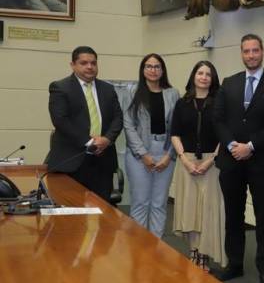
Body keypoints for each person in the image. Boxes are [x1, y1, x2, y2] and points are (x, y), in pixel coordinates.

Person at [211, 34, 264, 283]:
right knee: (233, 215)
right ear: (241, 53)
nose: (251, 55)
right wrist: (233, 145)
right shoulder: (228, 83)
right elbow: (218, 119)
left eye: (255, 50)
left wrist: (251, 146)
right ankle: (234, 264)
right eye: (246, 51)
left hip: (262, 161)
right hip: (231, 160)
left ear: (262, 52)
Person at [46, 46, 123, 201]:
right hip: (72, 161)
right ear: (73, 65)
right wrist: (90, 143)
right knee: (71, 211)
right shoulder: (60, 87)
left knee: (102, 210)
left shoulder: (107, 89)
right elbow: (61, 120)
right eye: (84, 63)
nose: (90, 67)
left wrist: (106, 140)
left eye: (93, 63)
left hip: (103, 161)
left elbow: (118, 118)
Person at [171, 61, 226, 271]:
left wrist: (210, 161)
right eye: (200, 73)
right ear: (193, 76)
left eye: (208, 74)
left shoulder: (220, 103)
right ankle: (193, 251)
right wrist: (184, 159)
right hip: (187, 163)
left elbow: (225, 135)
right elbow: (174, 134)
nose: (203, 77)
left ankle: (205, 254)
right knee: (190, 211)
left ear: (213, 79)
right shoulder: (182, 103)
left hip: (212, 164)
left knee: (207, 211)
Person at [123, 53, 180, 238]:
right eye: (149, 66)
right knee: (140, 202)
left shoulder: (173, 93)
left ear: (162, 70)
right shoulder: (132, 91)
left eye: (157, 66)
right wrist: (143, 154)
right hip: (138, 153)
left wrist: (169, 155)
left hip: (165, 152)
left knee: (159, 203)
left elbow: (177, 128)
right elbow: (128, 125)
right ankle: (138, 246)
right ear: (143, 70)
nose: (153, 70)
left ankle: (157, 248)